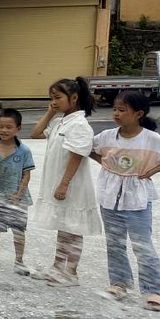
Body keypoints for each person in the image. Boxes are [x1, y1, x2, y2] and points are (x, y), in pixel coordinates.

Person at [90, 90, 160, 310]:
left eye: (122, 110)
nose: (116, 113)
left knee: (142, 246)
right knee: (114, 244)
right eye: (115, 109)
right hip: (109, 197)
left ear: (138, 114)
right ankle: (119, 283)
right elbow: (87, 148)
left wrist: (153, 170)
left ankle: (157, 290)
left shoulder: (152, 139)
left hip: (137, 200)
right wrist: (104, 163)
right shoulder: (106, 136)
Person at [29, 77, 101, 287]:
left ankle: (71, 272)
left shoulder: (79, 124)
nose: (54, 101)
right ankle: (57, 267)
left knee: (73, 228)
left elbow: (76, 156)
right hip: (57, 181)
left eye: (58, 98)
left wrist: (64, 184)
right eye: (51, 98)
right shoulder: (61, 119)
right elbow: (35, 133)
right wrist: (50, 112)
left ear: (74, 98)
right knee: (63, 226)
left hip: (72, 186)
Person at [0, 109, 35, 275]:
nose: (4, 130)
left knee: (18, 231)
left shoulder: (23, 151)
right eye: (0, 126)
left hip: (17, 199)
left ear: (18, 128)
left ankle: (19, 261)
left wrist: (19, 194)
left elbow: (26, 174)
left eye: (8, 127)